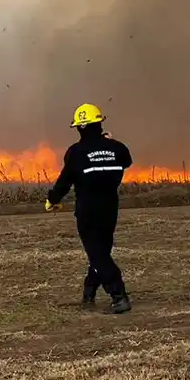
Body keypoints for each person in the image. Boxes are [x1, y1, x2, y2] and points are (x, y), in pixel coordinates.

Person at [45, 103, 133, 313]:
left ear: (80, 127)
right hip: (110, 208)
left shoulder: (76, 152)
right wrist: (109, 143)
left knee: (97, 255)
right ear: (99, 123)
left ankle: (118, 295)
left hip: (88, 210)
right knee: (101, 252)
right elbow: (127, 161)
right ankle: (89, 291)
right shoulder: (117, 148)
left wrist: (53, 199)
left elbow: (65, 181)